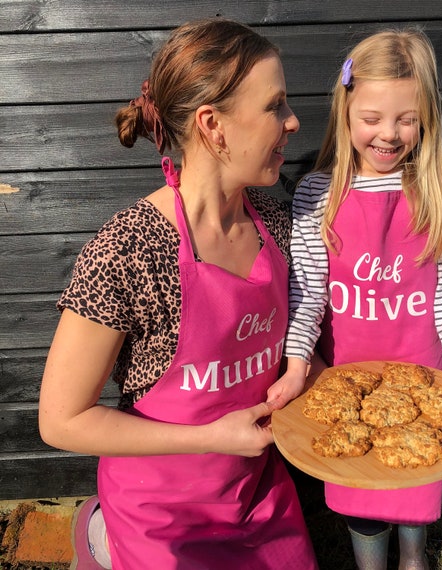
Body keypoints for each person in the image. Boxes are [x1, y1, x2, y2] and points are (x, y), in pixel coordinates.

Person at [38, 18, 318, 570]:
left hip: (257, 494)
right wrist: (212, 435)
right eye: (275, 105)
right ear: (214, 125)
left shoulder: (276, 223)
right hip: (165, 515)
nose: (293, 121)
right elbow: (60, 419)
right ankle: (99, 539)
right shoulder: (130, 251)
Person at [276, 28, 442, 570]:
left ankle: (415, 559)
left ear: (426, 118)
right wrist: (297, 361)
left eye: (406, 119)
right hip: (344, 379)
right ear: (346, 111)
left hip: (423, 372)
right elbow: (305, 294)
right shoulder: (316, 195)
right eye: (372, 118)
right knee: (361, 490)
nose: (389, 135)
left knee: (415, 487)